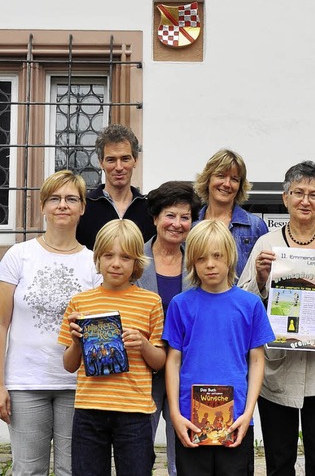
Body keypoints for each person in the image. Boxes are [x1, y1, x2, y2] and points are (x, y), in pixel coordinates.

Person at [238, 161, 315, 475]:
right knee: (280, 461)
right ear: (285, 198)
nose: (305, 201)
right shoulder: (267, 244)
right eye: (298, 193)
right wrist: (263, 280)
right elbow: (245, 304)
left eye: (314, 195)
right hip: (278, 369)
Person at [0, 170, 102, 476]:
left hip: (78, 385)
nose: (63, 205)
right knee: (28, 471)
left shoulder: (94, 263)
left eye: (72, 199)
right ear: (43, 205)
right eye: (55, 198)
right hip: (26, 382)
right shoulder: (19, 256)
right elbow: (1, 324)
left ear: (83, 207)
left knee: (73, 470)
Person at [163, 220, 275, 475]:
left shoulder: (250, 305)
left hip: (235, 418)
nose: (210, 264)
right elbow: (173, 360)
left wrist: (248, 412)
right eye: (201, 258)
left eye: (217, 256)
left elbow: (257, 360)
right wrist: (175, 414)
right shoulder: (181, 305)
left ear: (230, 257)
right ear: (191, 262)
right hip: (190, 418)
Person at [58, 219, 166, 475]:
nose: (116, 263)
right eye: (108, 255)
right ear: (97, 258)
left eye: (125, 257)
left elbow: (160, 360)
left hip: (135, 411)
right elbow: (69, 365)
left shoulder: (150, 301)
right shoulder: (80, 302)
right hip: (89, 409)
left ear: (137, 263)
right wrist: (76, 343)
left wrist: (142, 345)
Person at [135, 181, 201, 476]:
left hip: (188, 370)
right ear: (155, 218)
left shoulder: (199, 262)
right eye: (170, 215)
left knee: (185, 456)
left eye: (184, 217)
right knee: (138, 452)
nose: (177, 224)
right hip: (142, 370)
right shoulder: (134, 259)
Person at [76, 124, 155, 249]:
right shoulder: (83, 208)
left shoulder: (150, 210)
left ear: (135, 160)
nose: (118, 167)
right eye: (111, 160)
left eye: (125, 159)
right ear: (101, 162)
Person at [194, 148, 268, 276]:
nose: (227, 184)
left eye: (234, 179)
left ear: (240, 186)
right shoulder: (192, 224)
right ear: (207, 179)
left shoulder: (255, 226)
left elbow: (264, 277)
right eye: (221, 176)